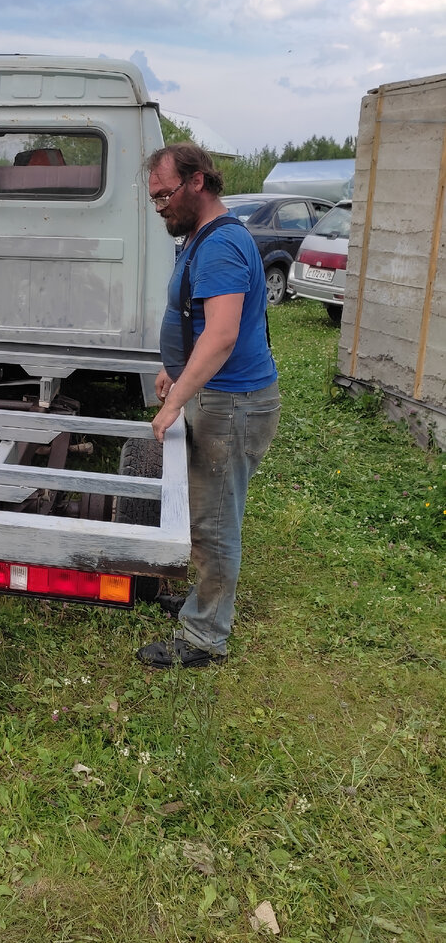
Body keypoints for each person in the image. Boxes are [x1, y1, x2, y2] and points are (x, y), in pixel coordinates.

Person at [137, 142, 280, 669]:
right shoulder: (204, 237)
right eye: (153, 198)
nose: (160, 208)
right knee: (206, 510)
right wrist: (176, 369)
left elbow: (220, 336)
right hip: (219, 396)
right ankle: (203, 601)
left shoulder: (220, 245)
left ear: (197, 181)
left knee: (216, 520)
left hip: (233, 404)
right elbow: (200, 324)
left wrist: (175, 400)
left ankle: (204, 637)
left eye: (164, 194)